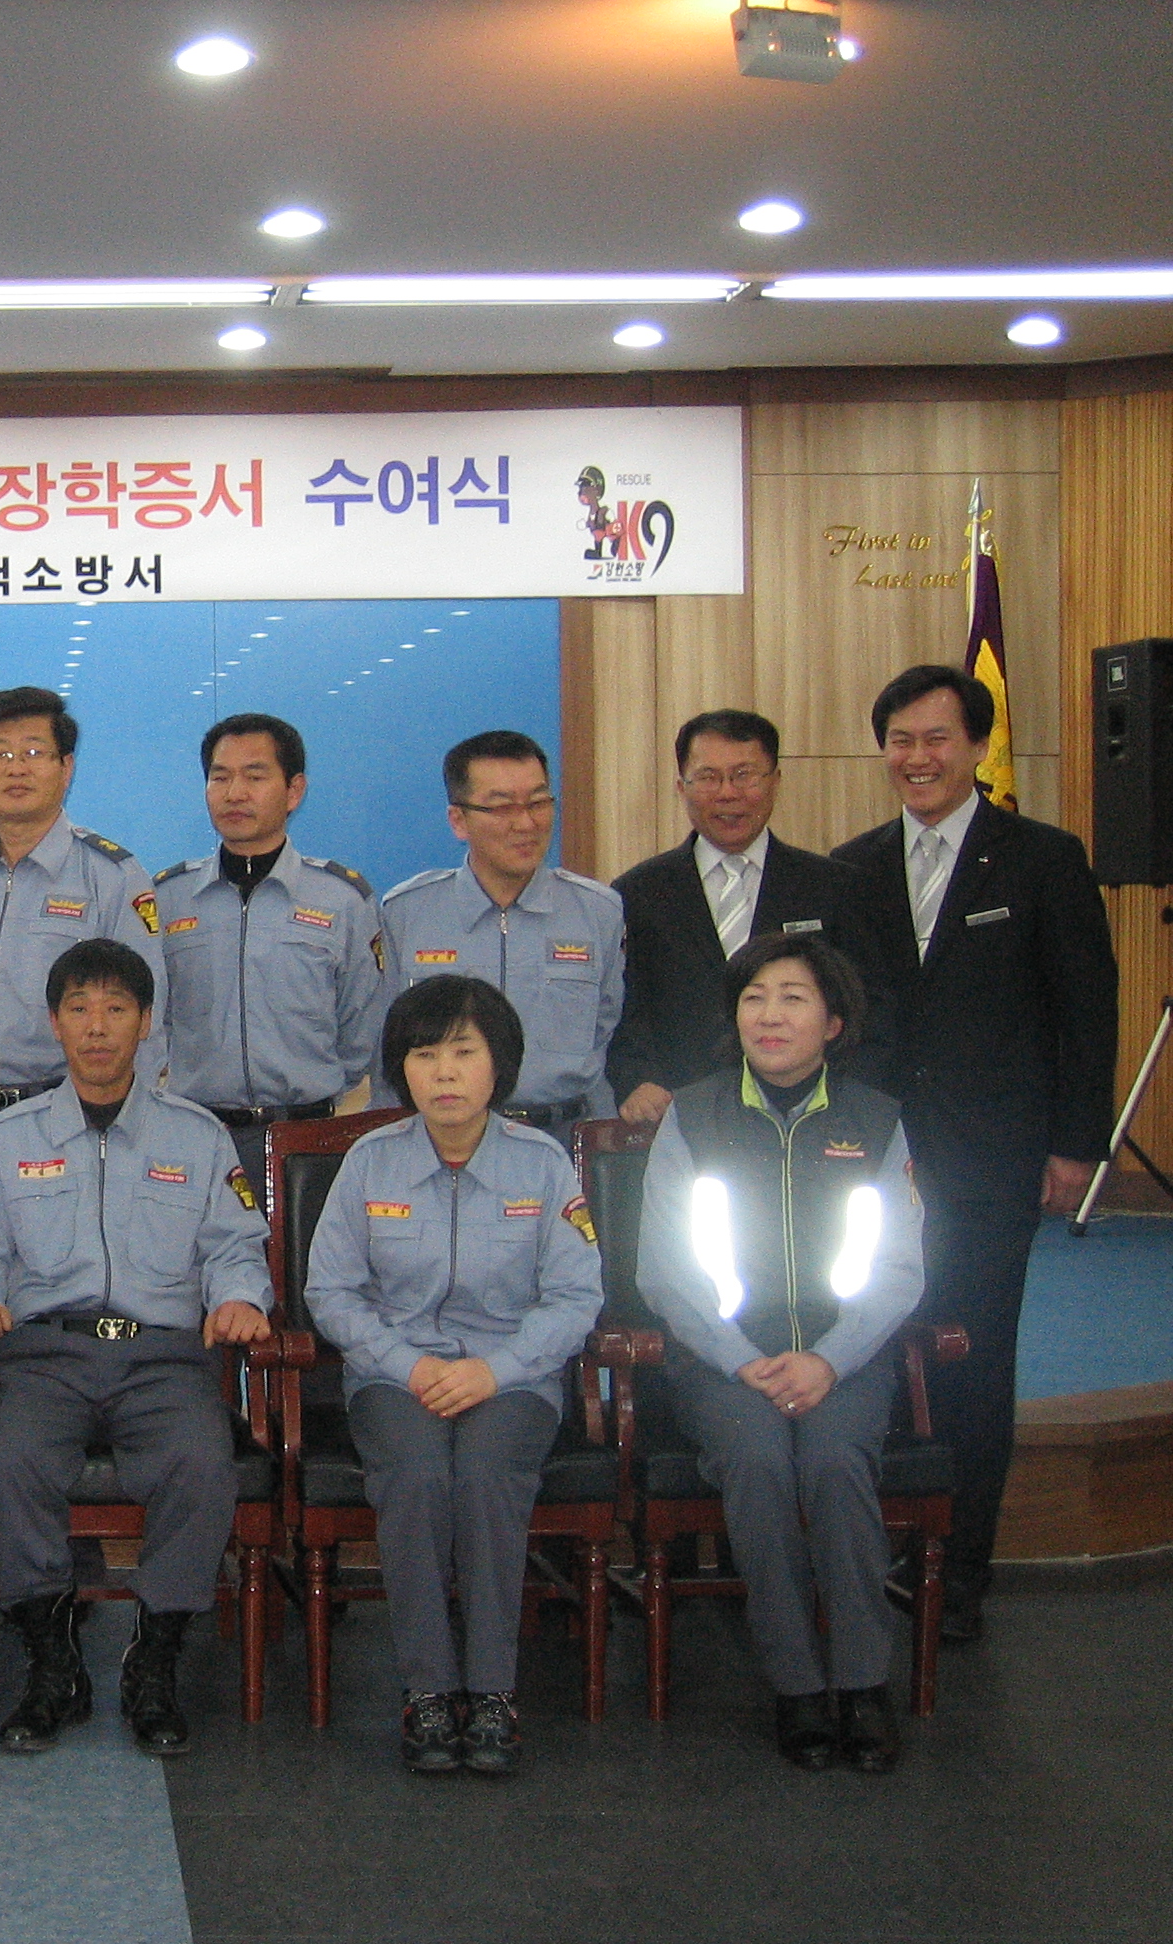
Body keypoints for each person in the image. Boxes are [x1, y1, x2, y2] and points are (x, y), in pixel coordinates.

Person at [832, 664, 1118, 1640]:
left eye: (937, 739)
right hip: (872, 1163)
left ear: (979, 747)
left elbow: (1087, 1008)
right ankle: (878, 1552)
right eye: (900, 741)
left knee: (973, 1360)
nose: (918, 758)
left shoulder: (1043, 859)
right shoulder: (854, 867)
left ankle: (957, 1575)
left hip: (995, 1159)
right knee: (873, 1346)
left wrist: (1076, 1145)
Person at [0, 937, 272, 1758]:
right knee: (6, 1463)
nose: (97, 1027)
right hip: (41, 1357)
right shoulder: (6, 1139)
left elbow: (235, 1246)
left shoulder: (197, 1137)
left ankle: (154, 1659)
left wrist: (240, 1298)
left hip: (163, 1359)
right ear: (55, 1023)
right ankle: (53, 1662)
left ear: (146, 1022)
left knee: (203, 1465)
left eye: (116, 1008)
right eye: (80, 1009)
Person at [302, 975, 604, 1777]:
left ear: (498, 1064)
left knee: (484, 1477)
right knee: (416, 1476)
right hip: (394, 1379)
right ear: (400, 1069)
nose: (443, 1072)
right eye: (423, 1054)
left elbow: (577, 1297)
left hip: (514, 1380)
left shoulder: (542, 1165)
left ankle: (493, 1691)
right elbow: (330, 1292)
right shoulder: (370, 1162)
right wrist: (410, 1366)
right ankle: (428, 1690)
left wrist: (494, 1372)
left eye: (463, 1053)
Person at [635, 936, 924, 1773]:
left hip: (844, 1360)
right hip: (724, 1363)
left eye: (793, 998)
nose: (770, 1015)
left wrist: (829, 1359)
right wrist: (740, 1359)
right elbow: (665, 1270)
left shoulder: (877, 1121)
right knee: (759, 1464)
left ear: (833, 1022)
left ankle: (862, 1684)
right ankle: (798, 1685)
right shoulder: (693, 1115)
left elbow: (900, 1268)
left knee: (834, 1464)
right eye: (754, 997)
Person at [0, 686, 162, 1215]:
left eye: (34, 752)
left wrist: (125, 1134)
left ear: (66, 766)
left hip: (64, 1118)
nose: (16, 768)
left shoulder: (112, 877)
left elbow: (149, 1022)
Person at [610, 709, 898, 1121]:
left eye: (744, 775)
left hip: (816, 1114)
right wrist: (636, 1079)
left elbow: (871, 1009)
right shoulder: (636, 893)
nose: (728, 793)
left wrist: (849, 1098)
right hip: (683, 1115)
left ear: (776, 780)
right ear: (681, 786)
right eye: (708, 777)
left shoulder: (836, 887)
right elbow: (621, 1010)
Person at [154, 711, 388, 1192]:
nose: (235, 793)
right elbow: (153, 1021)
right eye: (220, 777)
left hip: (308, 1138)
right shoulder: (169, 898)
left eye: (255, 776)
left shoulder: (342, 899)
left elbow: (364, 1028)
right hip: (195, 1138)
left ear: (294, 790)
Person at [382, 729, 624, 1144]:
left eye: (538, 803)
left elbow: (608, 1031)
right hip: (444, 1140)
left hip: (566, 1139)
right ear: (459, 820)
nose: (525, 824)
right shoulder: (407, 912)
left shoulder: (598, 911)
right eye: (502, 807)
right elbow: (385, 1046)